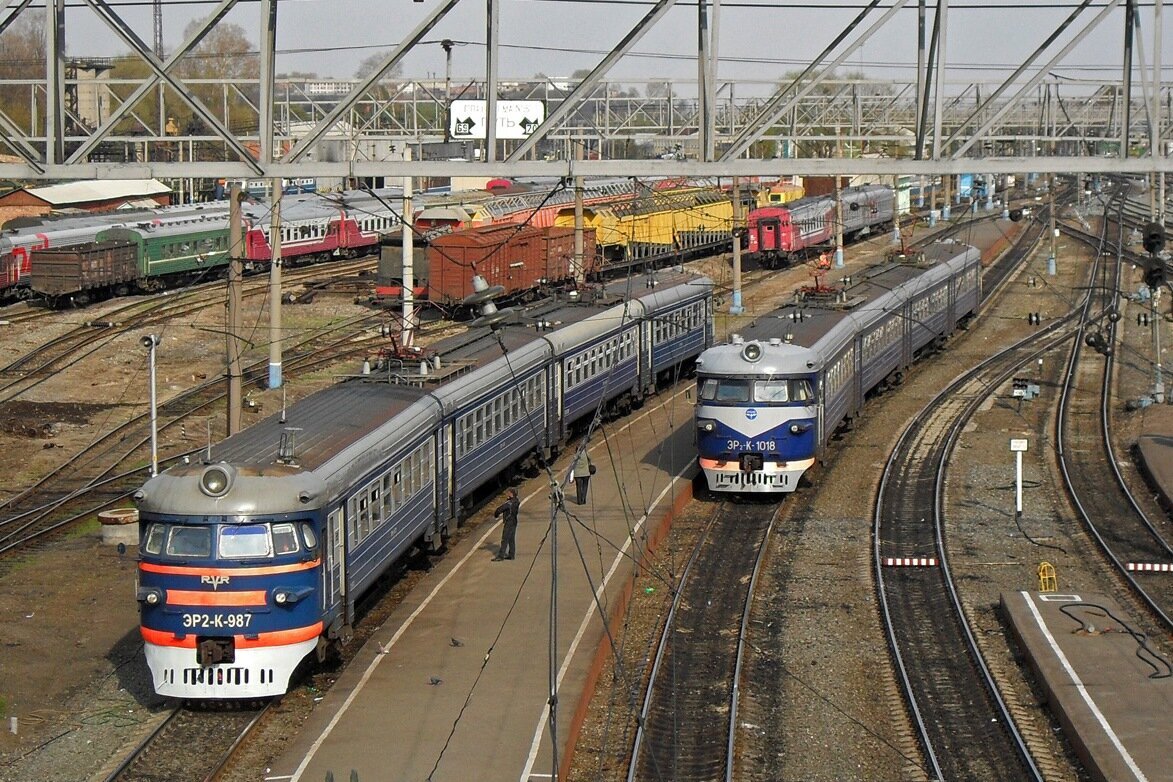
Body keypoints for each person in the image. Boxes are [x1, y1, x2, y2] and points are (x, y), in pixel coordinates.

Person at [492, 488, 520, 560]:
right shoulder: (516, 501)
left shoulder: (509, 503)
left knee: (504, 539)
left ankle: (501, 556)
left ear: (511, 494)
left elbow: (499, 509)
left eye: (509, 493)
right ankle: (511, 555)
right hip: (514, 522)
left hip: (509, 522)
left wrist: (496, 515)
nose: (507, 494)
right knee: (511, 539)